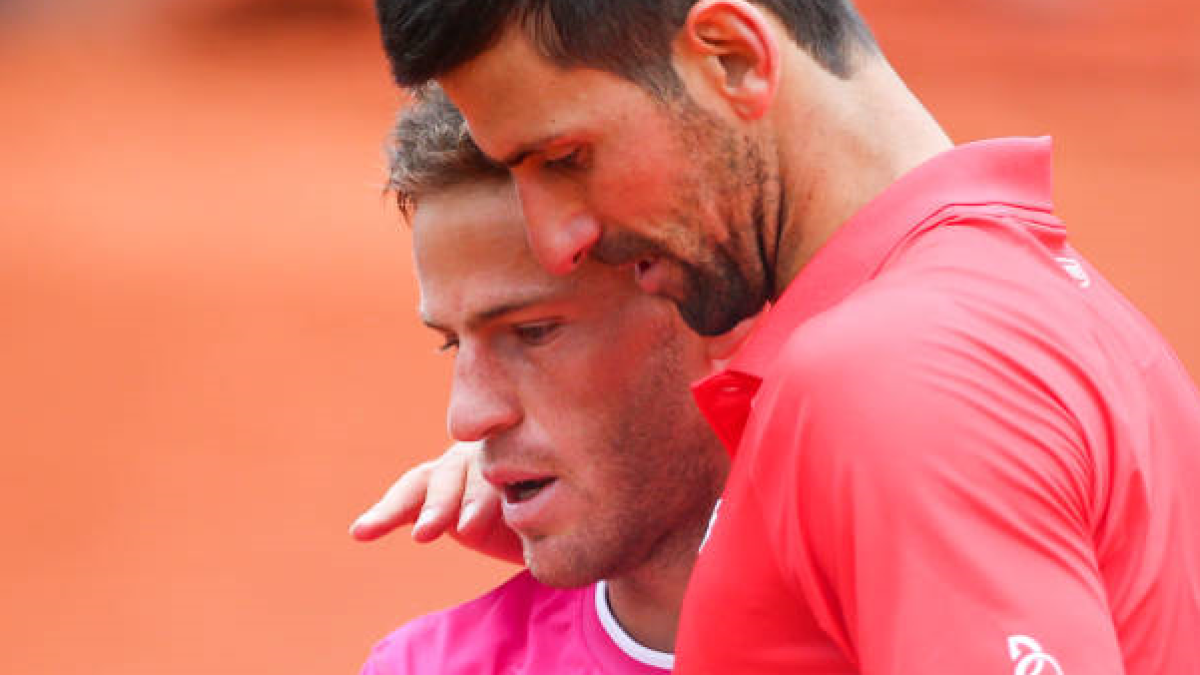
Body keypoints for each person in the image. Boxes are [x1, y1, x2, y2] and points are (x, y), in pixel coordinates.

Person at [370, 1, 1200, 673]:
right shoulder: (1032, 309)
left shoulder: (899, 376)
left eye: (566, 157)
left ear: (732, 56)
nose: (557, 239)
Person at [356, 89, 740, 675]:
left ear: (714, 306)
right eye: (454, 342)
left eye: (534, 332)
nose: (467, 417)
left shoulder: (896, 623)